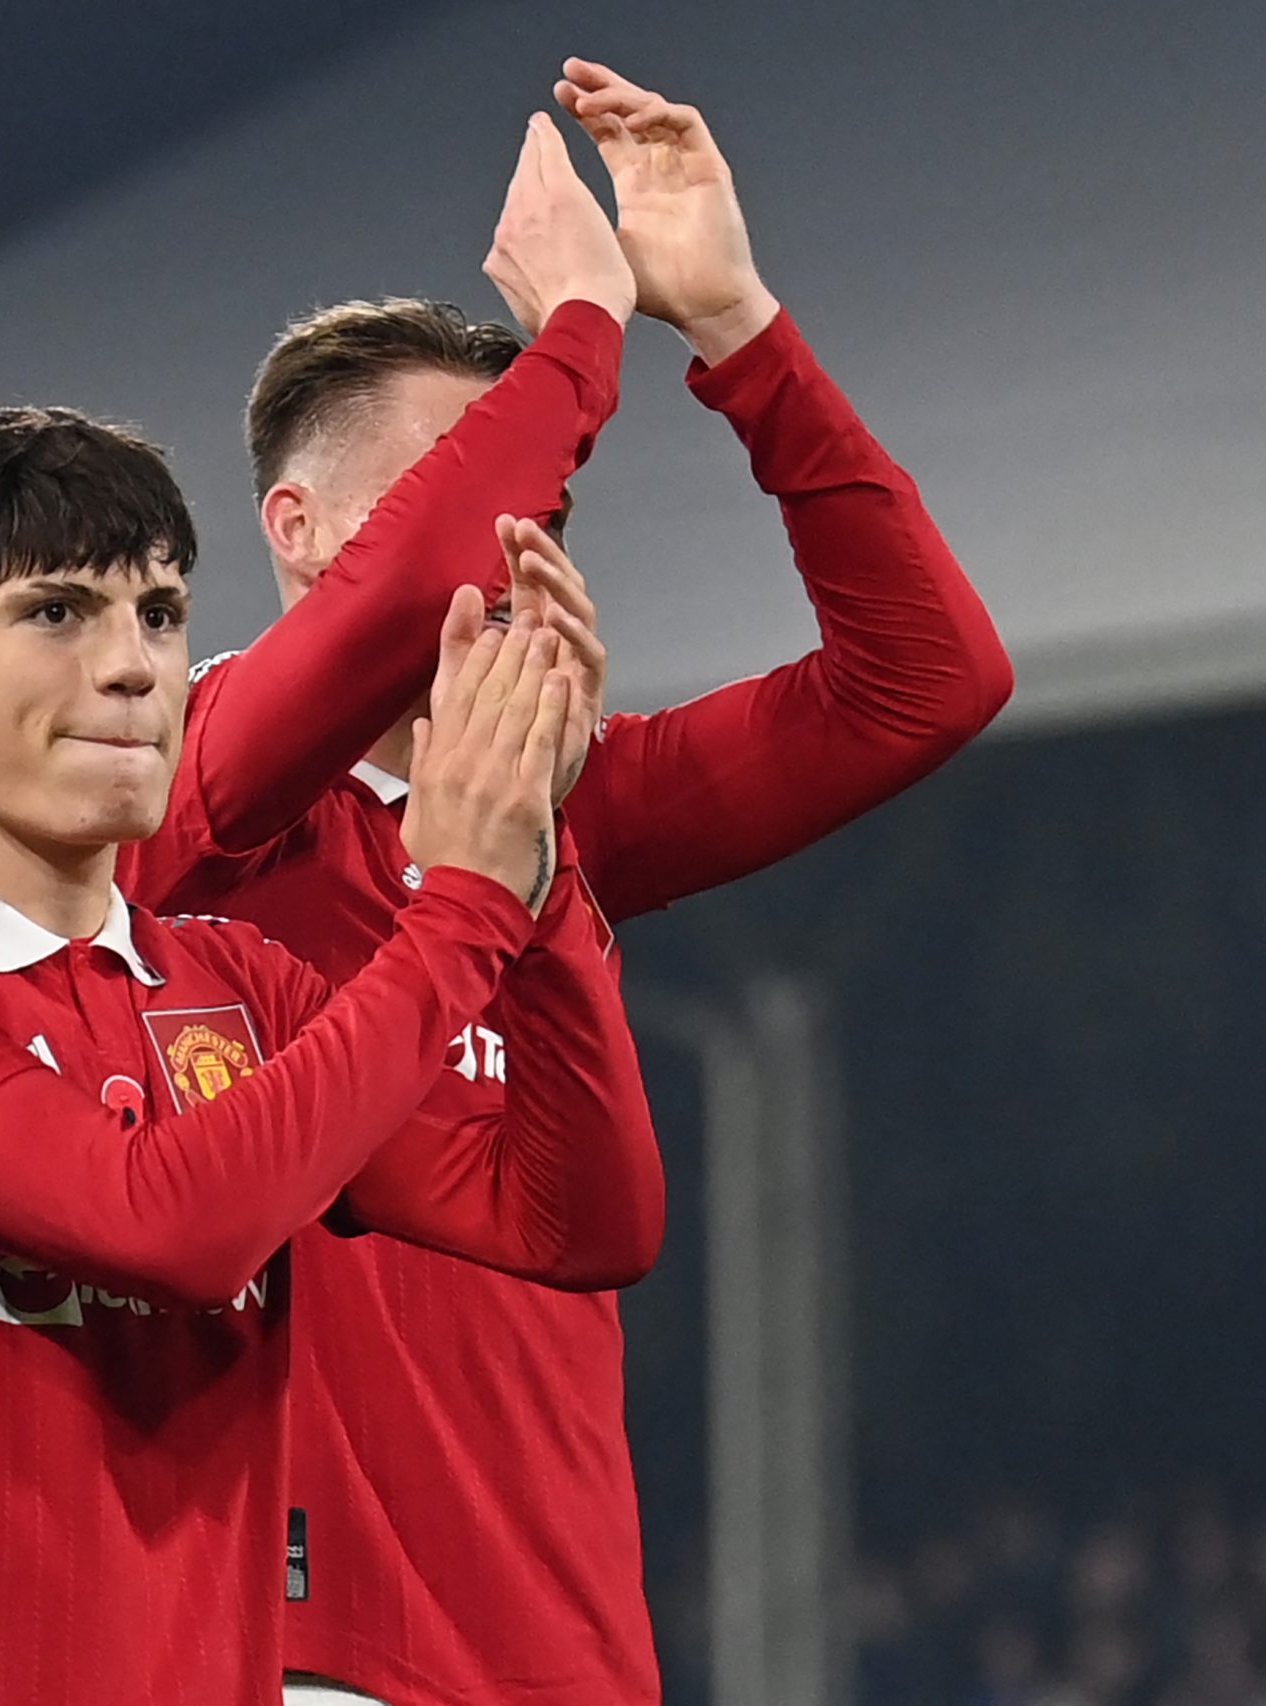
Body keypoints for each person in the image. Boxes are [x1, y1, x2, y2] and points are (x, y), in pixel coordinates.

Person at [123, 61, 1016, 1705]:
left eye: (544, 490)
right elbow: (409, 588)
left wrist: (736, 328)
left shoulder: (573, 813)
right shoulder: (184, 793)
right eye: (477, 472)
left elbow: (926, 682)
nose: (523, 515)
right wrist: (582, 343)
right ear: (301, 528)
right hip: (302, 1657)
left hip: (567, 1658)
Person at [0, 401, 663, 1702]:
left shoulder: (234, 984)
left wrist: (539, 863)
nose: (136, 667)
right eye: (55, 613)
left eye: (158, 614)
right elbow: (163, 1223)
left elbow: (576, 1218)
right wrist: (462, 906)